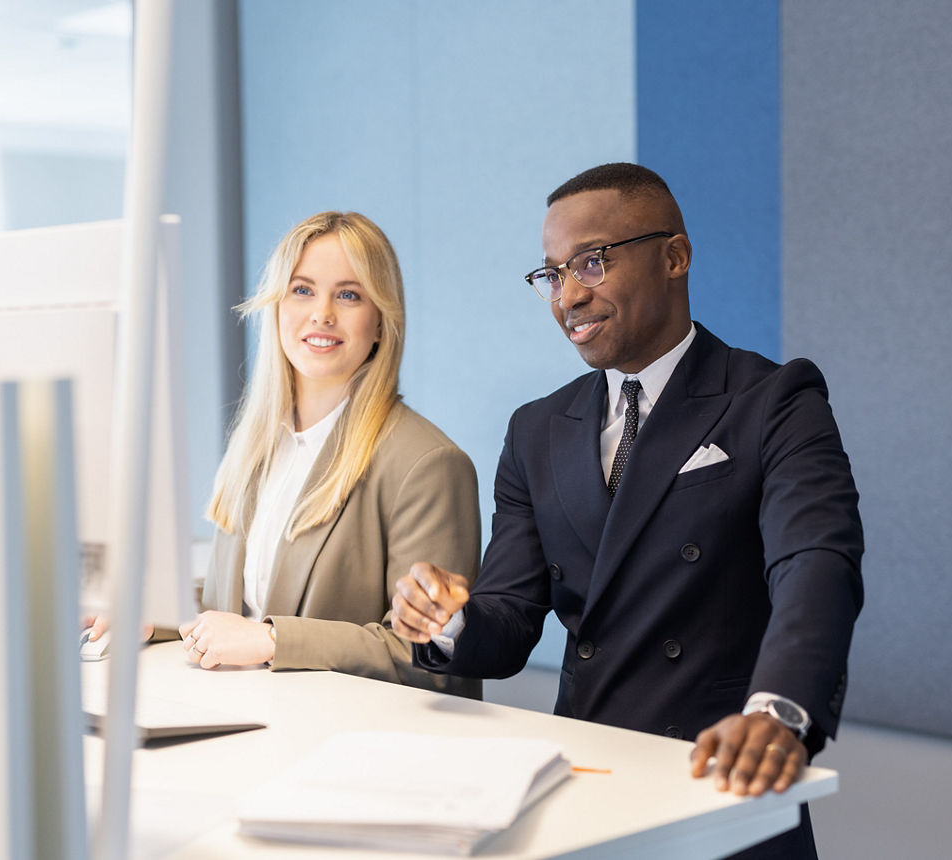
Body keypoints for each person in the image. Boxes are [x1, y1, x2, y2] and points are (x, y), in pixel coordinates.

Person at [391, 164, 863, 858]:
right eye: (551, 274)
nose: (568, 296)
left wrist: (778, 711)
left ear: (676, 256)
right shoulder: (535, 429)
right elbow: (509, 623)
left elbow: (815, 563)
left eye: (592, 262)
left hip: (722, 774)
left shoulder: (776, 400)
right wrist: (450, 618)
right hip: (586, 784)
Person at [179, 210, 481, 698]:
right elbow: (236, 607)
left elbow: (426, 659)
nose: (322, 312)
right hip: (245, 721)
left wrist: (273, 640)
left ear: (380, 322)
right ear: (276, 306)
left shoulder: (427, 464)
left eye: (348, 294)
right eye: (302, 290)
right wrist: (145, 619)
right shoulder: (254, 445)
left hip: (349, 748)